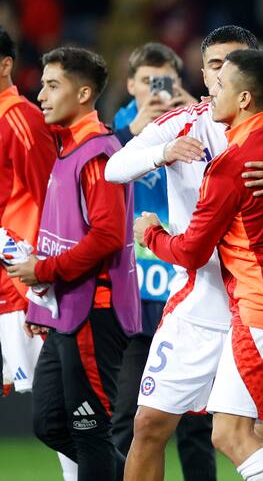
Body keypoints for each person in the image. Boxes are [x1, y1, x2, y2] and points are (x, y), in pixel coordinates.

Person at [106, 26, 263, 481]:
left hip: (255, 305)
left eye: (230, 66)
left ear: (250, 77)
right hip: (202, 304)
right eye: (214, 65)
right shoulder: (183, 123)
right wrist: (163, 152)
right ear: (203, 71)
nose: (218, 76)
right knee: (148, 425)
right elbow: (115, 167)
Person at [8, 46, 140, 481]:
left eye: (52, 85)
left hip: (94, 311)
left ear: (83, 93)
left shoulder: (99, 154)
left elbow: (106, 236)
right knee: (50, 423)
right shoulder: (68, 148)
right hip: (65, 309)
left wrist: (43, 273)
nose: (41, 95)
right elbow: (58, 234)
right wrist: (40, 306)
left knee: (90, 432)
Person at [109, 42, 216, 481]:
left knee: (195, 424)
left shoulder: (198, 122)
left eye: (166, 81)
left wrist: (196, 110)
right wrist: (136, 129)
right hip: (135, 293)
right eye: (147, 81)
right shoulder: (116, 132)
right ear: (131, 85)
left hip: (183, 283)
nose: (157, 90)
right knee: (128, 417)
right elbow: (103, 172)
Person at [0, 27, 77, 481]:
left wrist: (43, 282)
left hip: (20, 284)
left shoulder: (19, 119)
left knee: (57, 408)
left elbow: (52, 199)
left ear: (6, 64)